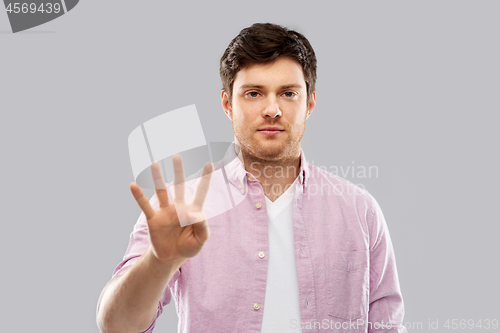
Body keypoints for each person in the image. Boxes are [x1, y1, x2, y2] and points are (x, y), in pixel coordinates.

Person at [96, 22, 408, 333]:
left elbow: (388, 328)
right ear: (227, 104)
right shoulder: (182, 206)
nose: (272, 109)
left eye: (287, 93)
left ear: (310, 103)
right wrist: (159, 260)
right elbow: (116, 326)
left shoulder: (360, 210)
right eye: (254, 93)